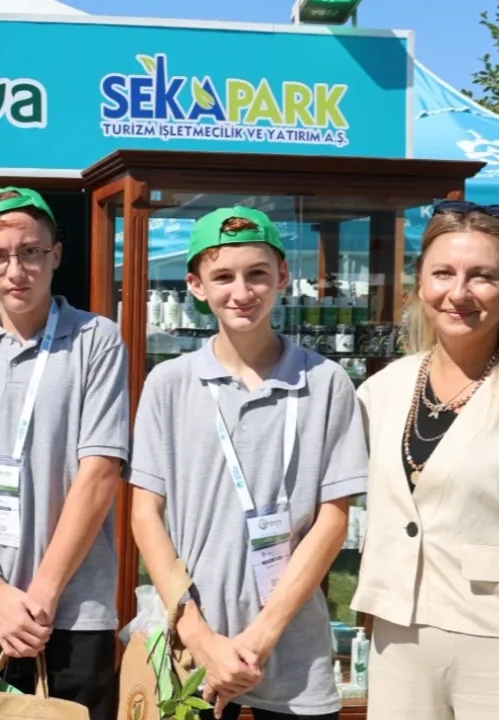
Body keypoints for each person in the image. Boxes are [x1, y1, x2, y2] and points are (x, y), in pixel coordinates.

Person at [131, 207, 366, 720]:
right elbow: (145, 515)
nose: (242, 292)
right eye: (223, 277)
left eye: (257, 274)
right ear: (196, 285)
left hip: (292, 650)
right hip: (191, 651)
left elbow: (333, 520)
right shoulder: (168, 384)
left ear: (282, 276)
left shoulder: (326, 383)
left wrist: (260, 637)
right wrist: (198, 635)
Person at [0, 188, 125, 718]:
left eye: (31, 252)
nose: (16, 270)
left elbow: (100, 472)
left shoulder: (96, 339)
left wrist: (43, 594)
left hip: (75, 608)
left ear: (55, 254)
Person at [353, 202, 499, 720]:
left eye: (483, 276)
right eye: (443, 273)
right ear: (420, 284)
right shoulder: (383, 389)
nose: (459, 292)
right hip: (396, 636)